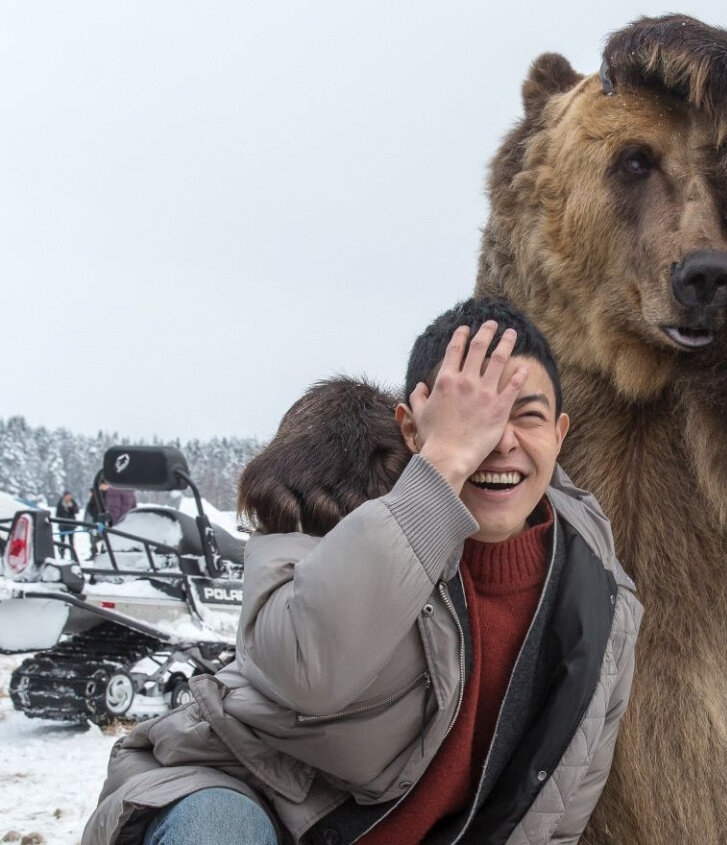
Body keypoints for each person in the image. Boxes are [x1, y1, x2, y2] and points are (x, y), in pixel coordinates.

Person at [83, 299, 642, 845]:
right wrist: (443, 465)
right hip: (241, 794)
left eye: (528, 416)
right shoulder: (339, 502)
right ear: (412, 427)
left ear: (561, 434)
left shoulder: (600, 597)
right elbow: (307, 666)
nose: (500, 441)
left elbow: (555, 811)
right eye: (471, 416)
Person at [55, 491, 79, 559]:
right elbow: (57, 514)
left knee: (71, 542)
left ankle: (72, 556)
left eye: (70, 496)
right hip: (63, 525)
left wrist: (71, 508)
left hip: (71, 525)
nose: (69, 497)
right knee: (62, 542)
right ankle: (62, 555)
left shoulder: (73, 502)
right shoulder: (60, 503)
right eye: (67, 496)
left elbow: (77, 510)